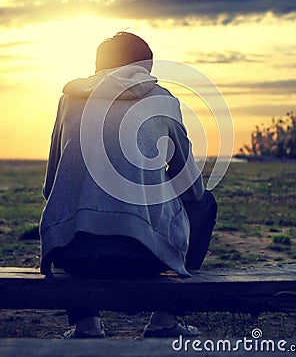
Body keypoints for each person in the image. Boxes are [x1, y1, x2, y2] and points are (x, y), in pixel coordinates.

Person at [40, 32, 218, 339]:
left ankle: (87, 325)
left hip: (74, 256)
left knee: (62, 202)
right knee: (206, 203)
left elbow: (50, 185)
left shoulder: (69, 100)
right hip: (146, 258)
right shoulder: (162, 99)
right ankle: (165, 320)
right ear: (145, 68)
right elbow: (191, 188)